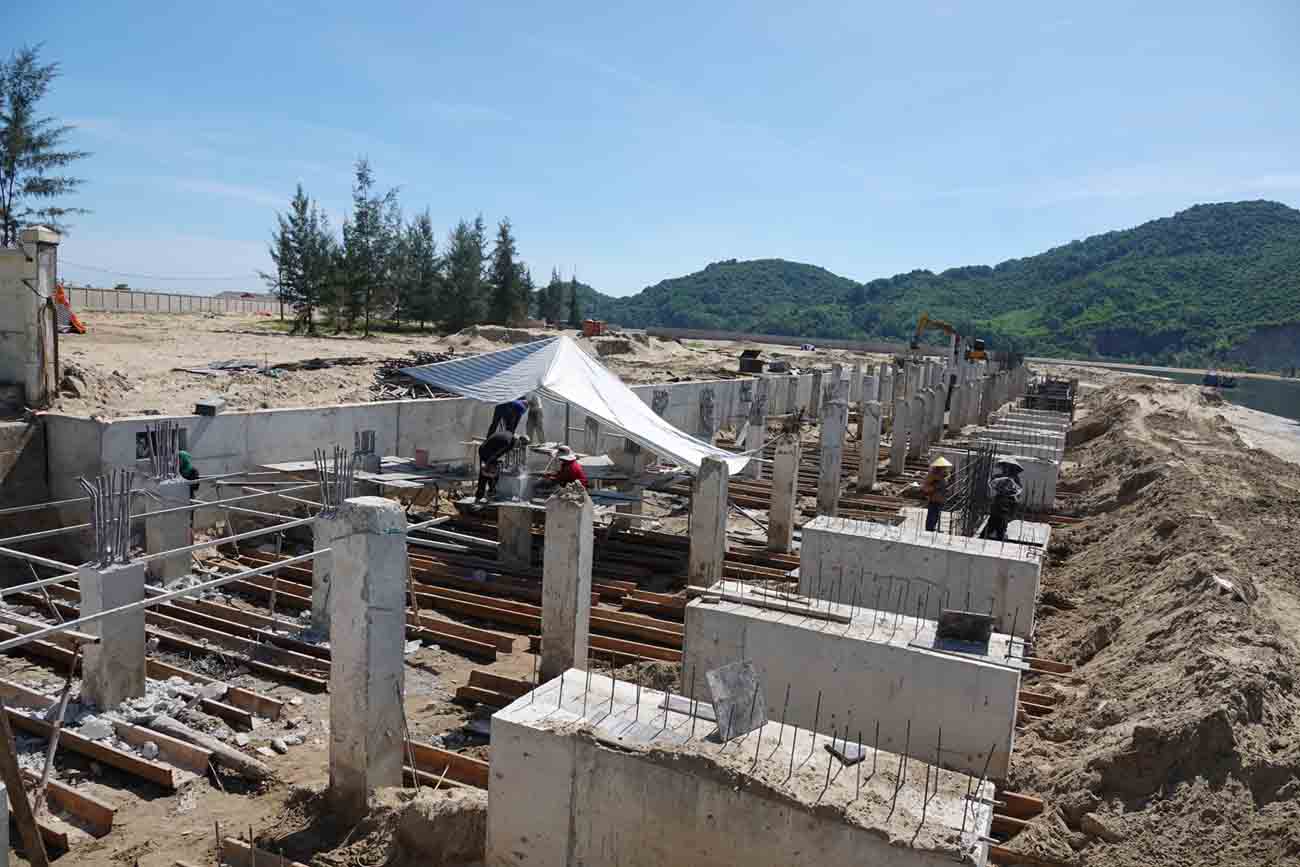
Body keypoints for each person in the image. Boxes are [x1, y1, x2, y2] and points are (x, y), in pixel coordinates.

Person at [981, 458, 1024, 541]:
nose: (1005, 469)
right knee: (993, 525)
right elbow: (994, 484)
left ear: (1012, 469)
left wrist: (1008, 484)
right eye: (1004, 467)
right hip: (999, 503)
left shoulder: (1014, 479)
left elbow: (1016, 491)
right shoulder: (1000, 476)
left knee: (999, 526)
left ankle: (997, 539)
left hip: (1007, 504)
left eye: (1007, 467)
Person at [475, 432, 526, 501]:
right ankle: (484, 495)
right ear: (519, 441)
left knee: (489, 473)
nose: (518, 447)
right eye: (519, 445)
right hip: (486, 452)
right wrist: (488, 464)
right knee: (487, 474)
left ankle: (486, 494)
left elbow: (500, 451)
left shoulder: (510, 435)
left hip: (485, 449)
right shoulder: (509, 443)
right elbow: (497, 455)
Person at [921, 456, 951, 532]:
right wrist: (935, 487)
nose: (945, 469)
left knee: (937, 515)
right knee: (932, 515)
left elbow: (945, 485)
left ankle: (933, 527)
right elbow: (925, 487)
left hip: (941, 499)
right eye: (944, 467)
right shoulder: (932, 476)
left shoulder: (945, 476)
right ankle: (929, 529)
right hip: (934, 499)